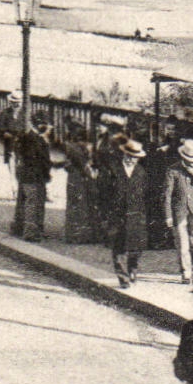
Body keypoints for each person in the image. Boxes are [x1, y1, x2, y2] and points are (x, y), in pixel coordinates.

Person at [163, 138, 193, 284]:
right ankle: (186, 272)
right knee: (183, 244)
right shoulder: (173, 170)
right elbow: (167, 195)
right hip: (179, 212)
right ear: (183, 157)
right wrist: (168, 215)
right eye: (189, 159)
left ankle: (191, 266)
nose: (192, 162)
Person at [107, 138, 149, 288]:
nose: (131, 160)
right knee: (118, 247)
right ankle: (123, 277)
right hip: (117, 214)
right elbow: (104, 193)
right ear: (124, 154)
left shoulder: (141, 172)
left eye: (135, 157)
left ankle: (133, 269)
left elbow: (145, 194)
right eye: (129, 156)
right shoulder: (113, 170)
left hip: (136, 214)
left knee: (135, 247)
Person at [11, 112, 52, 241]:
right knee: (32, 203)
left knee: (37, 203)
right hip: (32, 176)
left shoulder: (33, 137)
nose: (47, 127)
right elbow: (36, 158)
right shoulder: (32, 139)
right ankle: (30, 233)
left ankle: (37, 230)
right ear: (39, 124)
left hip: (34, 176)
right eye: (45, 124)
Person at [63, 120, 99, 243]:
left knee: (76, 204)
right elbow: (84, 164)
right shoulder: (75, 147)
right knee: (81, 204)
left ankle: (74, 233)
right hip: (79, 177)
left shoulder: (70, 146)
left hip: (74, 177)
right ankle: (80, 235)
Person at [0, 91, 25, 165]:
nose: (16, 104)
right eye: (14, 102)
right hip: (10, 144)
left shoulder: (24, 114)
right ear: (11, 102)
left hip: (22, 144)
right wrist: (5, 133)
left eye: (18, 102)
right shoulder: (5, 113)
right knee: (11, 165)